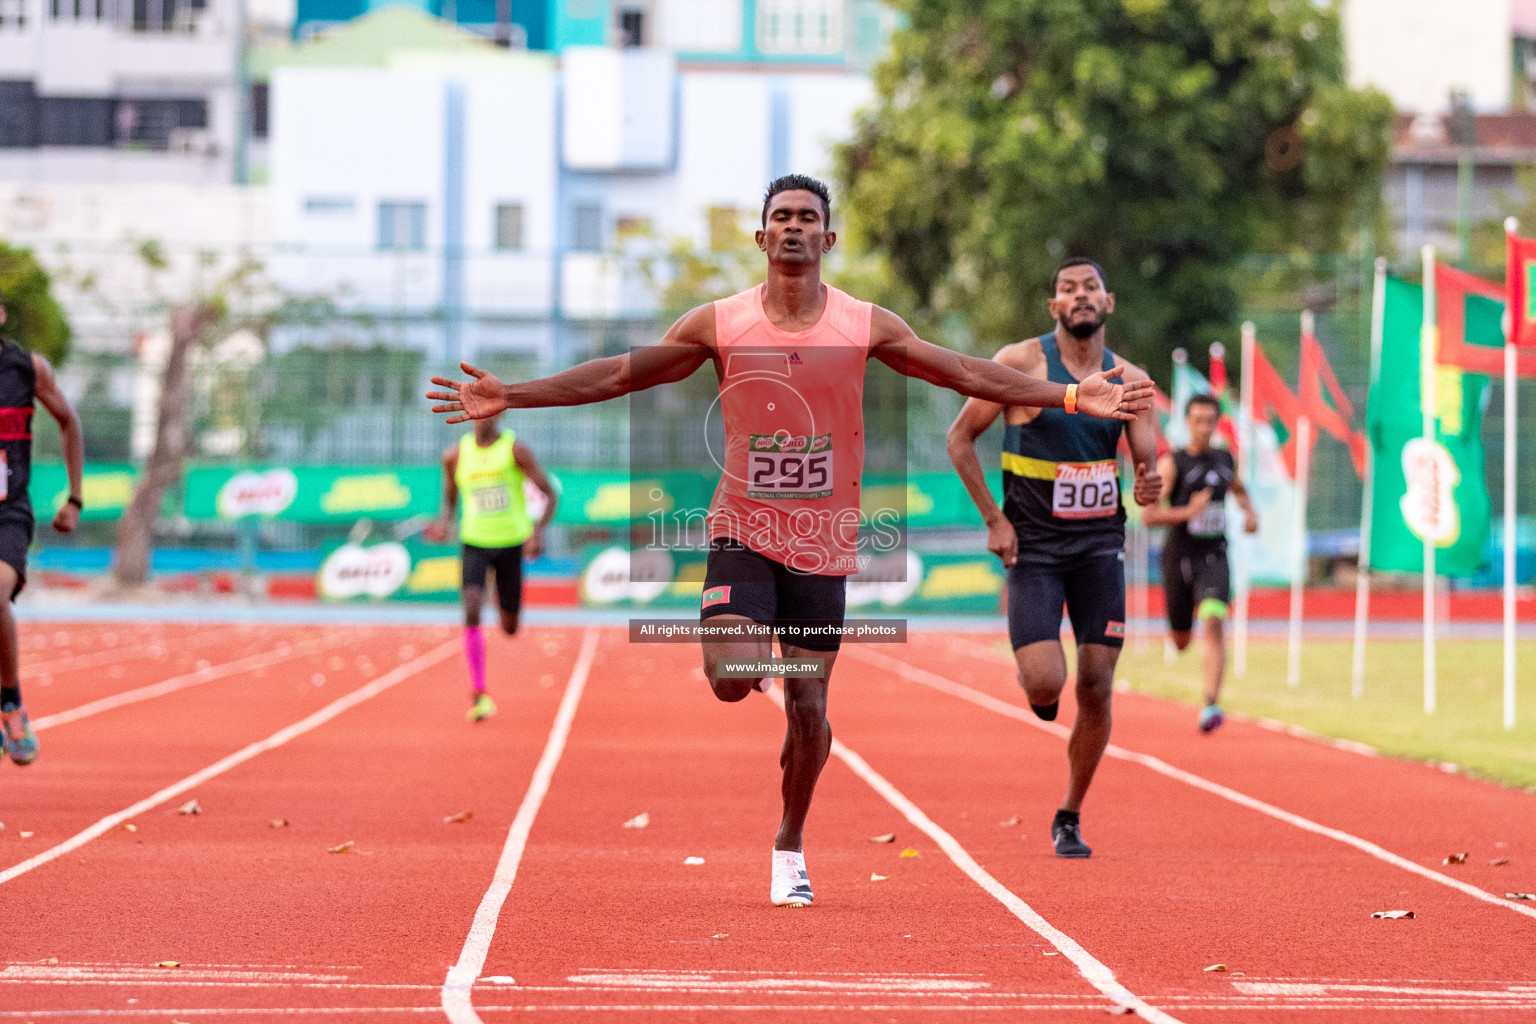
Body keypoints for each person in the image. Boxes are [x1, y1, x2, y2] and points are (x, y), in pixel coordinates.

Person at [428, 175, 1153, 906]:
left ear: (828, 238)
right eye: (782, 217)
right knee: (733, 676)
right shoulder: (721, 322)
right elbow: (618, 373)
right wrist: (514, 393)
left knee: (809, 713)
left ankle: (789, 843)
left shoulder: (866, 323)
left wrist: (1065, 394)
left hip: (824, 542)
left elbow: (964, 370)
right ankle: (761, 666)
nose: (795, 227)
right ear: (763, 236)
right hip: (742, 525)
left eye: (809, 217)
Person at [947, 258, 1160, 860]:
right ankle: (1036, 677)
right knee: (1048, 684)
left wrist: (1148, 482)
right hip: (1034, 549)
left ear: (1108, 301)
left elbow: (1146, 463)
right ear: (1054, 307)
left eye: (1091, 286)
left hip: (1099, 548)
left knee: (1096, 685)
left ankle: (1069, 814)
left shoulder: (1132, 379)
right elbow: (960, 437)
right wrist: (995, 518)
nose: (1080, 296)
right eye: (1068, 289)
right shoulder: (1021, 363)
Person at [424, 412, 558, 723]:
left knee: (509, 628)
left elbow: (549, 494)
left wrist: (537, 532)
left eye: (489, 408)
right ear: (468, 415)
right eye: (477, 409)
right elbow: (450, 501)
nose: (483, 415)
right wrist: (444, 524)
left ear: (499, 413)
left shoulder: (515, 450)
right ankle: (478, 693)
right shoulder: (454, 456)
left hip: (511, 543)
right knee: (471, 607)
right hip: (474, 543)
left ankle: (502, 598)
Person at [0, 287, 84, 766]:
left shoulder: (26, 369)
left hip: (8, 511)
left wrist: (74, 498)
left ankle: (10, 702)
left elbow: (69, 422)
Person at [1142, 393, 1257, 733]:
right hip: (1179, 556)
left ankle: (1211, 702)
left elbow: (1238, 489)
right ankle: (1182, 631)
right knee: (1181, 640)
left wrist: (1250, 513)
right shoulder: (1172, 464)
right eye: (1198, 421)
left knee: (1213, 620)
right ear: (1186, 422)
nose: (1205, 428)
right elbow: (1149, 515)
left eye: (1211, 421)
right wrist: (1188, 513)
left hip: (1214, 555)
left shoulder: (1225, 459)